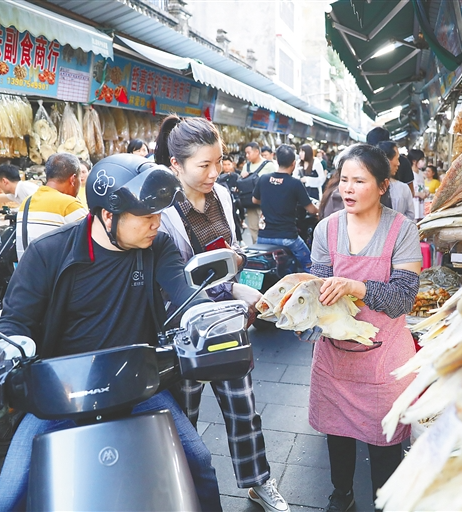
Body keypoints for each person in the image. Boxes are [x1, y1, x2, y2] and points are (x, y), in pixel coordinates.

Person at [0, 154, 222, 512]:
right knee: (6, 498)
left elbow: (183, 288)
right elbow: (14, 321)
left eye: (158, 216)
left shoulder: (156, 247)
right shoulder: (48, 253)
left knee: (200, 463)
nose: (156, 225)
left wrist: (207, 314)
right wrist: (12, 347)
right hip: (58, 394)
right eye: (146, 217)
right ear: (108, 215)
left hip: (138, 386)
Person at [155, 116, 289, 512]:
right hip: (182, 326)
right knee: (185, 415)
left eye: (220, 162)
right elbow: (169, 277)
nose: (216, 172)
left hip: (227, 318)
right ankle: (183, 490)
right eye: (204, 166)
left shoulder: (224, 197)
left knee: (243, 409)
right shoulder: (163, 209)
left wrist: (239, 288)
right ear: (176, 164)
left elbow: (227, 256)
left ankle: (258, 482)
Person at [307, 143, 421, 512]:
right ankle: (342, 494)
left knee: (384, 441)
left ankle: (384, 501)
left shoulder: (403, 230)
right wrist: (298, 308)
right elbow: (319, 287)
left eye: (360, 181)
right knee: (337, 434)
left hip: (384, 356)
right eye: (344, 180)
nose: (349, 189)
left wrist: (357, 287)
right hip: (335, 356)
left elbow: (403, 299)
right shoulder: (327, 229)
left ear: (384, 185)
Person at [253, 144, 318, 270]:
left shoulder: (264, 179)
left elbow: (254, 200)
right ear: (293, 163)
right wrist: (319, 209)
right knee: (311, 266)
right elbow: (310, 209)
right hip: (287, 237)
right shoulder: (295, 184)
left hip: (263, 237)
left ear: (277, 161)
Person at [15, 153, 88, 260]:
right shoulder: (69, 204)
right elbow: (92, 243)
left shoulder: (26, 202)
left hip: (29, 273)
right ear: (73, 179)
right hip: (57, 275)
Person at [239, 142, 278, 244]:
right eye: (245, 153)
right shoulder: (246, 166)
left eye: (249, 153)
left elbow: (276, 183)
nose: (247, 156)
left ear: (257, 151)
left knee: (267, 228)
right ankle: (257, 250)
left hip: (266, 204)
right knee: (253, 228)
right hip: (250, 203)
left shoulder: (269, 165)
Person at [377, 141, 414, 220]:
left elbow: (411, 218)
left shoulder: (403, 188)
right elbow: (410, 217)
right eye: (397, 159)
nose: (398, 164)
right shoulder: (369, 188)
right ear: (386, 160)